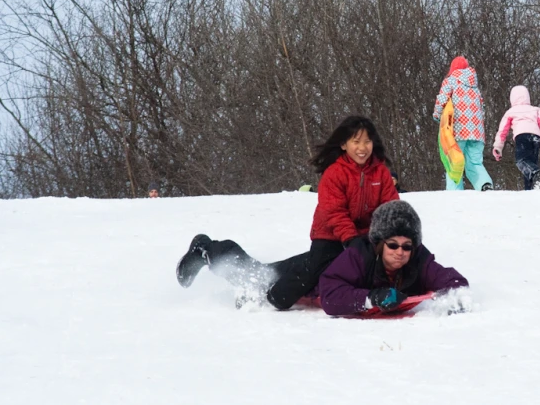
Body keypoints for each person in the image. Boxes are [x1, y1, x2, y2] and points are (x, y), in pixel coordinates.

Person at [175, 115, 400, 309]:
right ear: (344, 145)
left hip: (358, 242)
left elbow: (391, 209)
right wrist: (351, 240)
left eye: (368, 141)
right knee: (270, 283)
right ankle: (207, 249)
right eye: (356, 142)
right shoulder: (335, 174)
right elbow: (334, 212)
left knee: (272, 271)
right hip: (329, 239)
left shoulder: (379, 173)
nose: (363, 148)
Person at [319, 200, 469, 316]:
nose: (400, 252)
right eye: (392, 245)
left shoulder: (419, 259)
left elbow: (454, 280)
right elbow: (329, 294)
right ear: (380, 243)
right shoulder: (358, 255)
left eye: (407, 247)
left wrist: (454, 299)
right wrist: (371, 298)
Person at [432, 56, 493, 191]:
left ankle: (455, 191)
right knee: (475, 162)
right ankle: (484, 184)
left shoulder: (450, 81)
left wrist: (437, 115)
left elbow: (442, 99)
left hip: (458, 130)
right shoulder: (475, 86)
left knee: (454, 162)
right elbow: (482, 108)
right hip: (477, 132)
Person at [491, 85, 540, 190]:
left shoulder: (510, 112)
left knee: (521, 161)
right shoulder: (535, 109)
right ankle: (531, 188)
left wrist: (498, 147)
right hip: (536, 138)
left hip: (522, 136)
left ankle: (537, 173)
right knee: (530, 163)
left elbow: (502, 131)